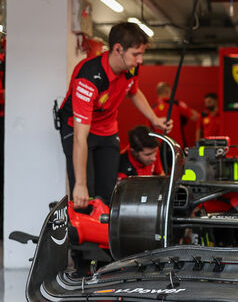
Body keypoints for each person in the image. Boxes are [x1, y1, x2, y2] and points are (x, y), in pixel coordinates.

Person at [59, 22, 171, 209]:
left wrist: (154, 120)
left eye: (142, 54)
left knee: (109, 194)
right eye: (136, 54)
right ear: (118, 49)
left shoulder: (131, 68)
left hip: (107, 129)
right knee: (84, 196)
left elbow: (133, 91)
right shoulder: (88, 77)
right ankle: (84, 235)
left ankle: (104, 236)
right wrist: (80, 185)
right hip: (77, 129)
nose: (140, 60)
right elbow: (80, 138)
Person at [152, 81, 199, 148]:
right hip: (176, 145)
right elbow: (195, 116)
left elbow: (149, 129)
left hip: (159, 146)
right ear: (167, 91)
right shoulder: (176, 104)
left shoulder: (152, 109)